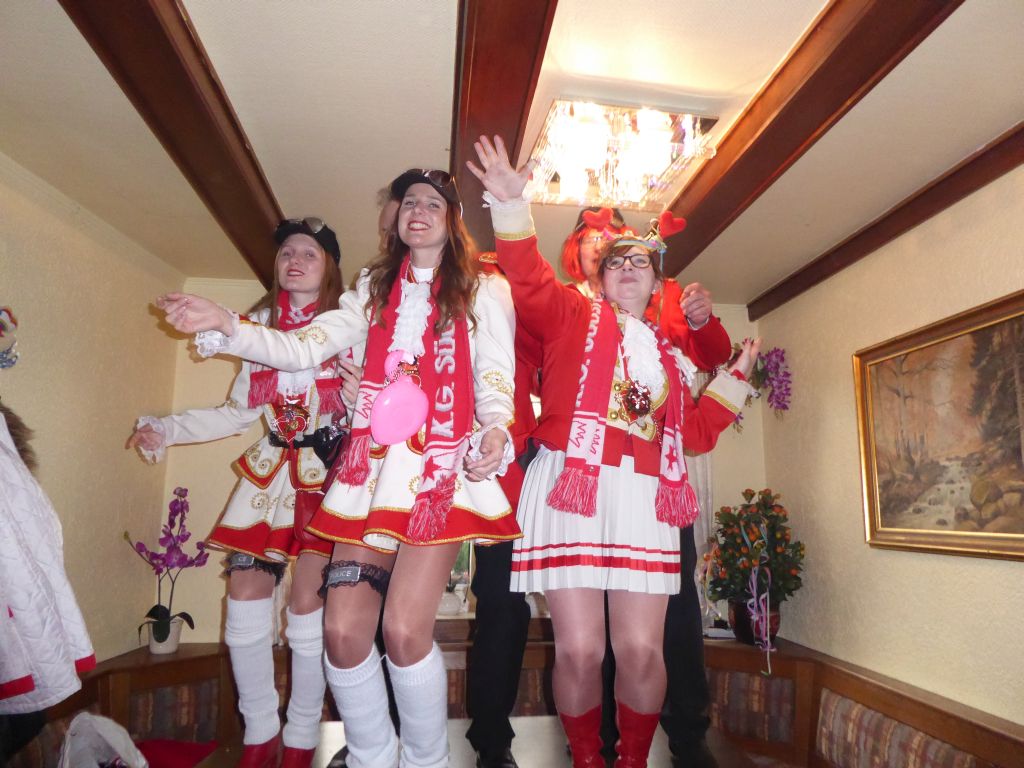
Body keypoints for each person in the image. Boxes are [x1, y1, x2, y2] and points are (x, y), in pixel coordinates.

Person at [158, 169, 520, 768]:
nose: (417, 210)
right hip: (369, 474)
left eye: (432, 203)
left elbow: (494, 375)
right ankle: (374, 755)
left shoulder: (484, 289)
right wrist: (229, 325)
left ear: (452, 220)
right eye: (409, 202)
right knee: (342, 632)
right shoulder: (372, 289)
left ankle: (425, 760)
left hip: (438, 471)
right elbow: (302, 346)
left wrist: (497, 427)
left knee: (403, 631)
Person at [467, 135, 760, 768]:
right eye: (616, 262)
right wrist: (512, 206)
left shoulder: (670, 360)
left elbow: (696, 434)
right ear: (599, 276)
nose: (627, 268)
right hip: (571, 489)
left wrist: (735, 381)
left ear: (656, 282)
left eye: (640, 262)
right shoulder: (569, 315)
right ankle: (586, 759)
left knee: (643, 651)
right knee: (578, 650)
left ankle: (631, 760)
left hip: (644, 500)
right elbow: (528, 278)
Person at [128, 217, 353, 768]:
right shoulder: (256, 330)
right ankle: (260, 733)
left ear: (329, 269)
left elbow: (324, 369)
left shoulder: (348, 323)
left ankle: (301, 735)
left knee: (307, 607)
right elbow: (235, 414)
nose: (294, 260)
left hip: (328, 474)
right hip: (272, 474)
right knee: (244, 597)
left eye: (309, 253)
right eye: (286, 253)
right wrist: (167, 429)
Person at [563, 207, 732, 765]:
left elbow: (710, 359)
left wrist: (703, 323)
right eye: (594, 242)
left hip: (657, 487)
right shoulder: (570, 311)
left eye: (617, 241)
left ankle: (686, 734)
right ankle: (597, 741)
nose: (606, 248)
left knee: (671, 616)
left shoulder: (664, 304)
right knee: (587, 630)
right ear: (581, 256)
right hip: (589, 483)